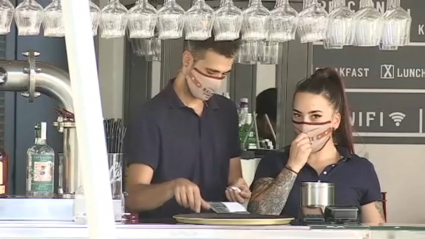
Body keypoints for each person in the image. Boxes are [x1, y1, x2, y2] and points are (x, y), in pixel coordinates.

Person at [125, 35, 251, 221]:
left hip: (219, 230)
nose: (216, 82)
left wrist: (238, 189)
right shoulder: (151, 116)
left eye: (224, 74)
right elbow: (133, 198)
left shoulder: (226, 111)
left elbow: (234, 178)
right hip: (167, 232)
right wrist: (172, 187)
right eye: (210, 71)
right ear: (187, 61)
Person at [247, 68, 385, 224]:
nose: (305, 126)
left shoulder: (360, 169)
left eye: (315, 116)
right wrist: (292, 167)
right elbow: (258, 216)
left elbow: (376, 230)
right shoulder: (274, 162)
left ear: (335, 121)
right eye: (298, 115)